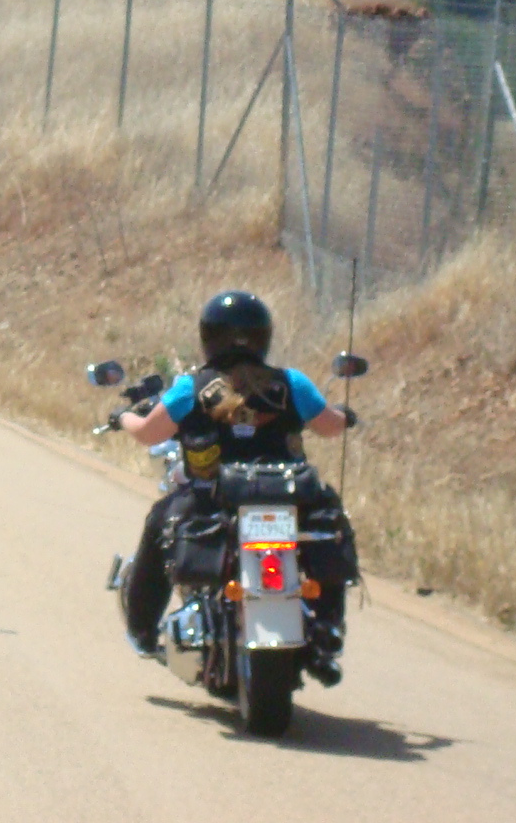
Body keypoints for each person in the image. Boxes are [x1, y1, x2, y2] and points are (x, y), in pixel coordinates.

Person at [115, 290, 357, 686]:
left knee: (160, 521)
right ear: (264, 336)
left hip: (214, 499)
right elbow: (330, 427)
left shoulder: (192, 387)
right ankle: (328, 627)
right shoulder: (291, 383)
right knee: (330, 525)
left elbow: (147, 433)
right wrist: (345, 415)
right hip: (288, 497)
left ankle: (142, 630)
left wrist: (123, 416)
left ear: (208, 336)